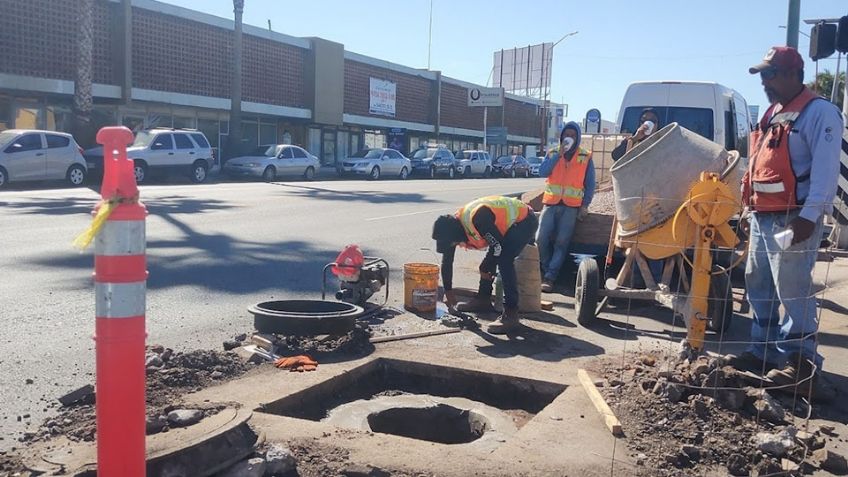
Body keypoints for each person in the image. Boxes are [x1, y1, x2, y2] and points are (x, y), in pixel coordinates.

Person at [737, 46, 842, 394]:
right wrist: (748, 208)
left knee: (792, 286)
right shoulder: (772, 113)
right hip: (763, 217)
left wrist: (810, 217)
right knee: (758, 282)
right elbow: (758, 162)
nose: (764, 82)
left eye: (770, 74)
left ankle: (800, 362)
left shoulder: (819, 113)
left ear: (793, 74)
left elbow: (826, 170)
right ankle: (763, 352)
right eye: (763, 76)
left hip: (793, 219)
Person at [432, 196, 538, 334]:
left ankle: (511, 314)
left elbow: (498, 247)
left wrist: (484, 267)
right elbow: (447, 261)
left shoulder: (479, 219)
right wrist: (448, 291)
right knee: (491, 260)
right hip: (504, 228)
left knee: (504, 259)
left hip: (524, 221)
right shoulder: (452, 227)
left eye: (454, 243)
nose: (456, 245)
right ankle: (483, 300)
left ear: (456, 235)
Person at [536, 122, 595, 292]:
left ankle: (550, 277)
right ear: (562, 137)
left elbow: (590, 184)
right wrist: (558, 155)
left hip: (571, 207)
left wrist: (585, 205)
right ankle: (546, 267)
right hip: (551, 203)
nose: (569, 138)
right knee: (540, 238)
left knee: (562, 242)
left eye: (573, 135)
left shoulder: (585, 156)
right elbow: (543, 172)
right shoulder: (553, 153)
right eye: (567, 135)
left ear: (578, 138)